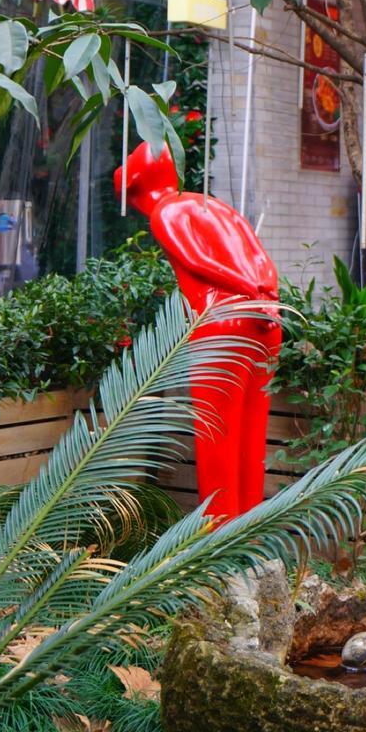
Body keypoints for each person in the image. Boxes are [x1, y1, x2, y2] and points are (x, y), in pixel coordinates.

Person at [114, 142, 281, 520]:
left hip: (221, 323)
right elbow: (262, 258)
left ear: (137, 183)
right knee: (251, 437)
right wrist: (265, 295)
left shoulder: (166, 211)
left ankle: (219, 536)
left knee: (217, 437)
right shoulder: (213, 206)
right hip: (265, 322)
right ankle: (249, 530)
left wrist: (246, 290)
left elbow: (197, 259)